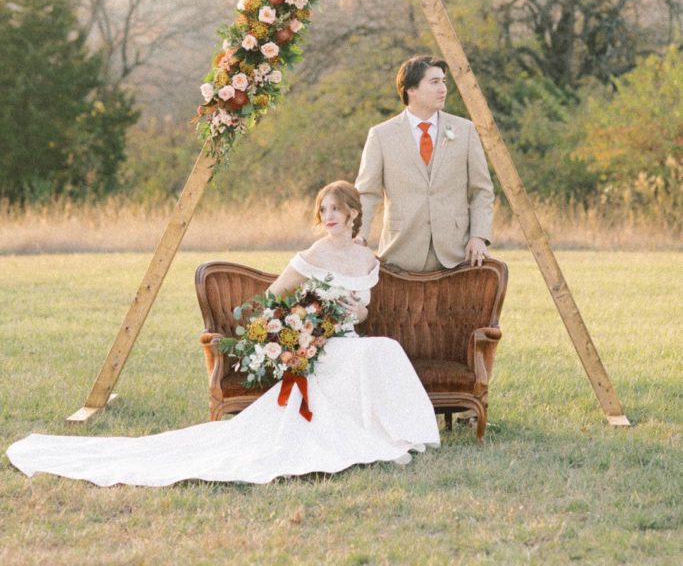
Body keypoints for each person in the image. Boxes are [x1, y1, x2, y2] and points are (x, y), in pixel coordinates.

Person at [6, 181, 439, 487]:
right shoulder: (312, 255)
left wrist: (356, 309)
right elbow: (273, 300)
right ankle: (377, 435)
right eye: (322, 210)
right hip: (319, 347)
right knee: (375, 353)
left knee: (383, 348)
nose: (327, 217)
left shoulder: (365, 257)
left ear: (352, 213)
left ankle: (392, 432)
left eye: (334, 209)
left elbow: (363, 309)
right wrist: (307, 321)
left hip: (350, 340)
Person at [355, 55, 494, 272]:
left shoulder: (465, 130)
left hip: (457, 254)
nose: (443, 89)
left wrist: (478, 236)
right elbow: (366, 193)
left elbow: (482, 191)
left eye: (444, 82)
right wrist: (359, 236)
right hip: (399, 253)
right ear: (411, 89)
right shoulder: (381, 135)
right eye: (434, 82)